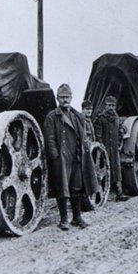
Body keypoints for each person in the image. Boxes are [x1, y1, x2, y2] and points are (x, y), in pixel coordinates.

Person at [43, 84, 99, 231]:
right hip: (62, 159)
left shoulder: (76, 116)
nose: (64, 100)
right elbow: (49, 139)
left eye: (67, 97)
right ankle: (63, 220)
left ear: (71, 98)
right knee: (62, 188)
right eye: (61, 97)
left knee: (77, 188)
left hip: (77, 157)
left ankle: (77, 217)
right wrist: (55, 157)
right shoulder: (52, 117)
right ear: (57, 98)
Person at [94, 96, 129, 202]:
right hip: (104, 149)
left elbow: (119, 132)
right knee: (103, 170)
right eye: (109, 105)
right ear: (106, 105)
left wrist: (119, 143)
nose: (111, 108)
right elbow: (98, 134)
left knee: (117, 170)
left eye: (113, 106)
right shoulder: (100, 118)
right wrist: (101, 146)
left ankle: (119, 193)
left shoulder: (117, 118)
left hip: (114, 149)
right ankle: (100, 195)